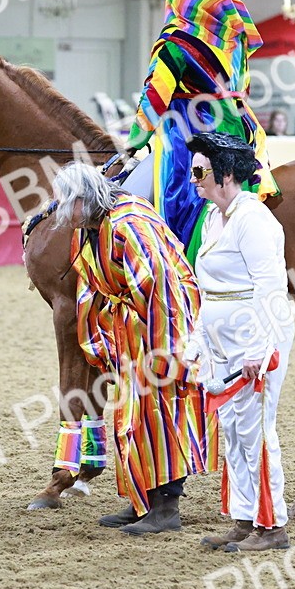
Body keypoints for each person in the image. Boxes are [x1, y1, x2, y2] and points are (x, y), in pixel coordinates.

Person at [54, 162, 206, 536]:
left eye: (67, 202)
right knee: (133, 414)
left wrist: (161, 349)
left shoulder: (130, 223)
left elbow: (160, 287)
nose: (61, 212)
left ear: (85, 199)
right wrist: (105, 337)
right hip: (131, 327)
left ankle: (166, 507)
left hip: (162, 323)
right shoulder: (90, 230)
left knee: (160, 409)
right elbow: (92, 287)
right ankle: (144, 501)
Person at [127, 0, 278, 265]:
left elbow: (156, 95)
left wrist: (134, 140)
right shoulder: (236, 38)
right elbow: (244, 89)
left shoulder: (176, 39)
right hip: (237, 128)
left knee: (153, 202)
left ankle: (176, 263)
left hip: (190, 131)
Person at [187, 133, 295, 553]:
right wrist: (197, 342)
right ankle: (245, 517)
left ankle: (273, 526)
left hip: (252, 337)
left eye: (200, 172)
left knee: (256, 429)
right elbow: (208, 290)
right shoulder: (213, 218)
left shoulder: (254, 220)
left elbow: (270, 287)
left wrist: (258, 349)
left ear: (227, 174)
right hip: (221, 340)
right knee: (233, 429)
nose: (194, 180)